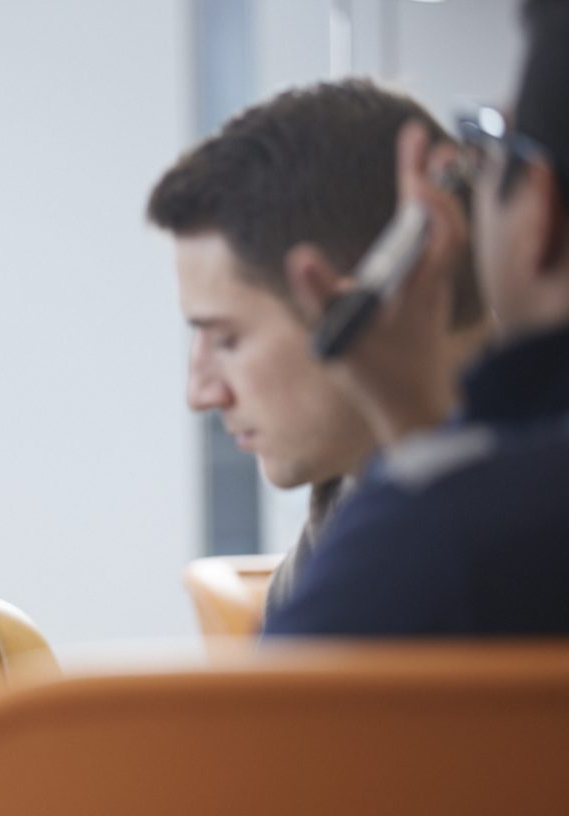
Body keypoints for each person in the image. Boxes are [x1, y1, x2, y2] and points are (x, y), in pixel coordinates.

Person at [265, 0, 569, 635]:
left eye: (490, 143)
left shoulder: (439, 542)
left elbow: (268, 723)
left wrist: (415, 471)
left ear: (539, 212)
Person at [146, 79, 487, 616]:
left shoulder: (525, 514)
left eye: (227, 339)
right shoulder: (345, 496)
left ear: (375, 305)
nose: (202, 393)